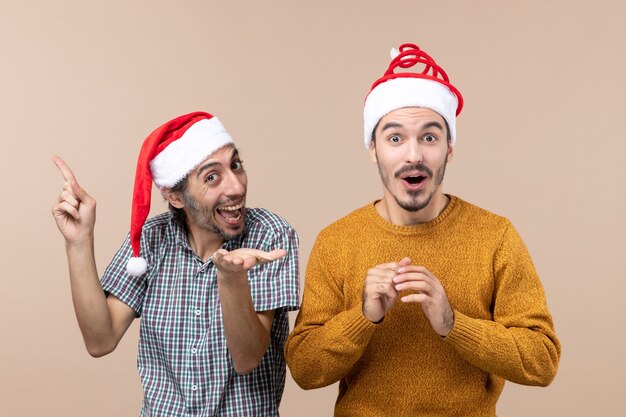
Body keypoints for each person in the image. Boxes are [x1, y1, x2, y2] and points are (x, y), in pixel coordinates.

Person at [285, 43, 560, 416]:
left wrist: (454, 324)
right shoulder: (337, 242)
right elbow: (304, 370)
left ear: (449, 148)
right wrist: (362, 317)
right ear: (373, 149)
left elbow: (542, 361)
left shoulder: (494, 236)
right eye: (395, 138)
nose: (413, 155)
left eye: (429, 137)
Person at [52, 111, 299, 416]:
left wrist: (231, 279)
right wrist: (78, 241)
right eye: (212, 177)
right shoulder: (152, 240)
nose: (236, 187)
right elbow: (100, 340)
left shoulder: (271, 234)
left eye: (235, 165)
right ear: (174, 195)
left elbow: (247, 358)